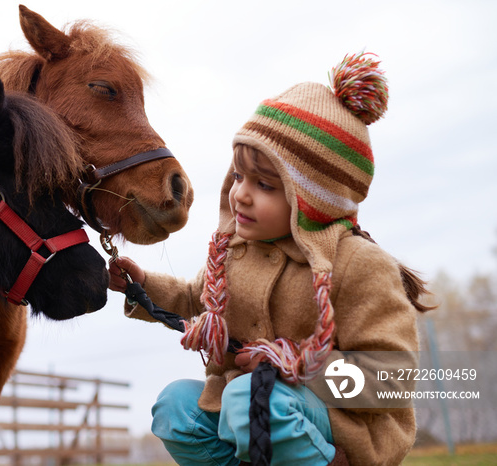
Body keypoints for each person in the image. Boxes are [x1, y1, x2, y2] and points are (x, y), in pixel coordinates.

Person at [109, 53, 431, 466]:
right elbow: (195, 298)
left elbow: (393, 379)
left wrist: (294, 367)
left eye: (264, 184)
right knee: (176, 408)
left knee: (248, 398)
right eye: (239, 176)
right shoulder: (235, 252)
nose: (240, 193)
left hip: (340, 428)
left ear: (312, 198)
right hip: (251, 409)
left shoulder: (357, 265)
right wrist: (141, 286)